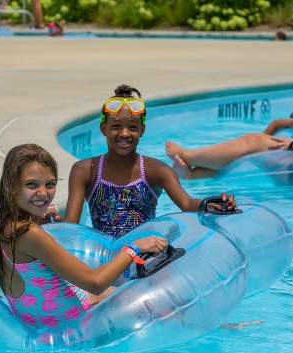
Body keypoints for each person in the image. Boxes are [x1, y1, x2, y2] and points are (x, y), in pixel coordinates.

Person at [0, 144, 167, 329]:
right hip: (74, 318)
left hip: (38, 315)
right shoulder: (30, 234)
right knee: (163, 307)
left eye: (50, 184)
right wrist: (134, 248)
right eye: (32, 185)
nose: (43, 193)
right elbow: (95, 282)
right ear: (10, 185)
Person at [56, 84, 237, 238]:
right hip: (105, 257)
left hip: (147, 255)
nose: (125, 133)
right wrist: (52, 219)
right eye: (116, 126)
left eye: (133, 127)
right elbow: (71, 224)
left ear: (142, 129)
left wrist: (211, 203)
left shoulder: (156, 170)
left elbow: (186, 204)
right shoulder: (86, 170)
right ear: (103, 128)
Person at [166, 87, 293, 179]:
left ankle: (188, 156)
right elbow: (277, 123)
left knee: (253, 142)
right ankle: (194, 174)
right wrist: (265, 137)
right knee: (253, 145)